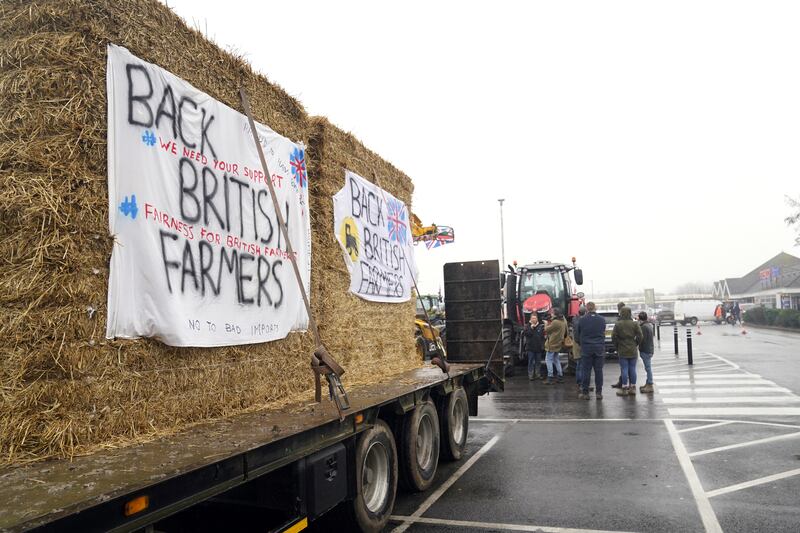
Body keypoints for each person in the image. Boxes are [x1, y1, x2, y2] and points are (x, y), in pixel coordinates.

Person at [576, 302, 606, 400]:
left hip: (586, 348)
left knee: (586, 371)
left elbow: (577, 336)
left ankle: (585, 393)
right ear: (595, 308)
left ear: (586, 309)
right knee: (598, 371)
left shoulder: (582, 320)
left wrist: (582, 343)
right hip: (599, 348)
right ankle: (599, 393)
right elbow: (603, 332)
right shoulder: (602, 320)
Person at [612, 307, 642, 396]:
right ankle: (632, 388)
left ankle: (624, 388)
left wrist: (617, 345)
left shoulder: (618, 324)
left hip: (622, 348)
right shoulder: (635, 324)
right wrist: (636, 343)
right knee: (632, 368)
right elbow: (640, 335)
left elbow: (614, 337)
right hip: (632, 348)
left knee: (624, 369)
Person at [544, 308, 567, 384]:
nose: (551, 314)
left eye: (552, 313)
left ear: (555, 314)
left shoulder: (555, 322)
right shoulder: (563, 321)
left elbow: (546, 330)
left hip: (552, 344)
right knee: (556, 360)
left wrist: (546, 323)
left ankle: (550, 377)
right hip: (558, 343)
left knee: (548, 360)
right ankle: (560, 376)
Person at [524, 314, 545, 381]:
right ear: (530, 319)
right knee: (530, 362)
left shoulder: (540, 326)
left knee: (538, 362)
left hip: (538, 348)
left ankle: (538, 374)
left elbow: (542, 337)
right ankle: (530, 375)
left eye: (535, 318)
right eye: (532, 318)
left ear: (537, 319)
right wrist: (531, 328)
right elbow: (527, 334)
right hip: (530, 348)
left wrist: (542, 346)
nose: (534, 320)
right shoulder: (527, 326)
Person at [638, 311, 655, 393]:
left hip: (646, 350)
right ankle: (648, 383)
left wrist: (639, 346)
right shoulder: (649, 325)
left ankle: (650, 385)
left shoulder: (643, 327)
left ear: (640, 319)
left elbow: (642, 339)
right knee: (648, 368)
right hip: (649, 349)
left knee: (648, 368)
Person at [611, 302, 626, 389]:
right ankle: (630, 385)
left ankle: (623, 384)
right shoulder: (631, 319)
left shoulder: (620, 320)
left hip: (621, 346)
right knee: (629, 367)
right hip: (630, 347)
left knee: (624, 367)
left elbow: (614, 336)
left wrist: (616, 345)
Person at [572, 305, 587, 391]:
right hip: (582, 344)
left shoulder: (574, 319)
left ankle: (578, 382)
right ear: (585, 312)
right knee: (583, 365)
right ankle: (582, 383)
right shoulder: (584, 321)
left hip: (576, 345)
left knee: (578, 364)